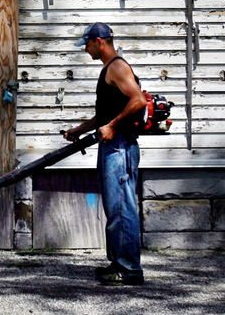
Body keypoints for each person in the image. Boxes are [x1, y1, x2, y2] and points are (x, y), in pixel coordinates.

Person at [62, 22, 147, 286]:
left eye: (87, 45)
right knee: (114, 207)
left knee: (122, 207)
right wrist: (80, 129)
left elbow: (139, 101)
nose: (86, 50)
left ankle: (129, 269)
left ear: (99, 41)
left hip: (120, 145)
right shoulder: (108, 70)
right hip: (112, 144)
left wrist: (111, 126)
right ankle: (118, 262)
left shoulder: (118, 67)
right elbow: (105, 115)